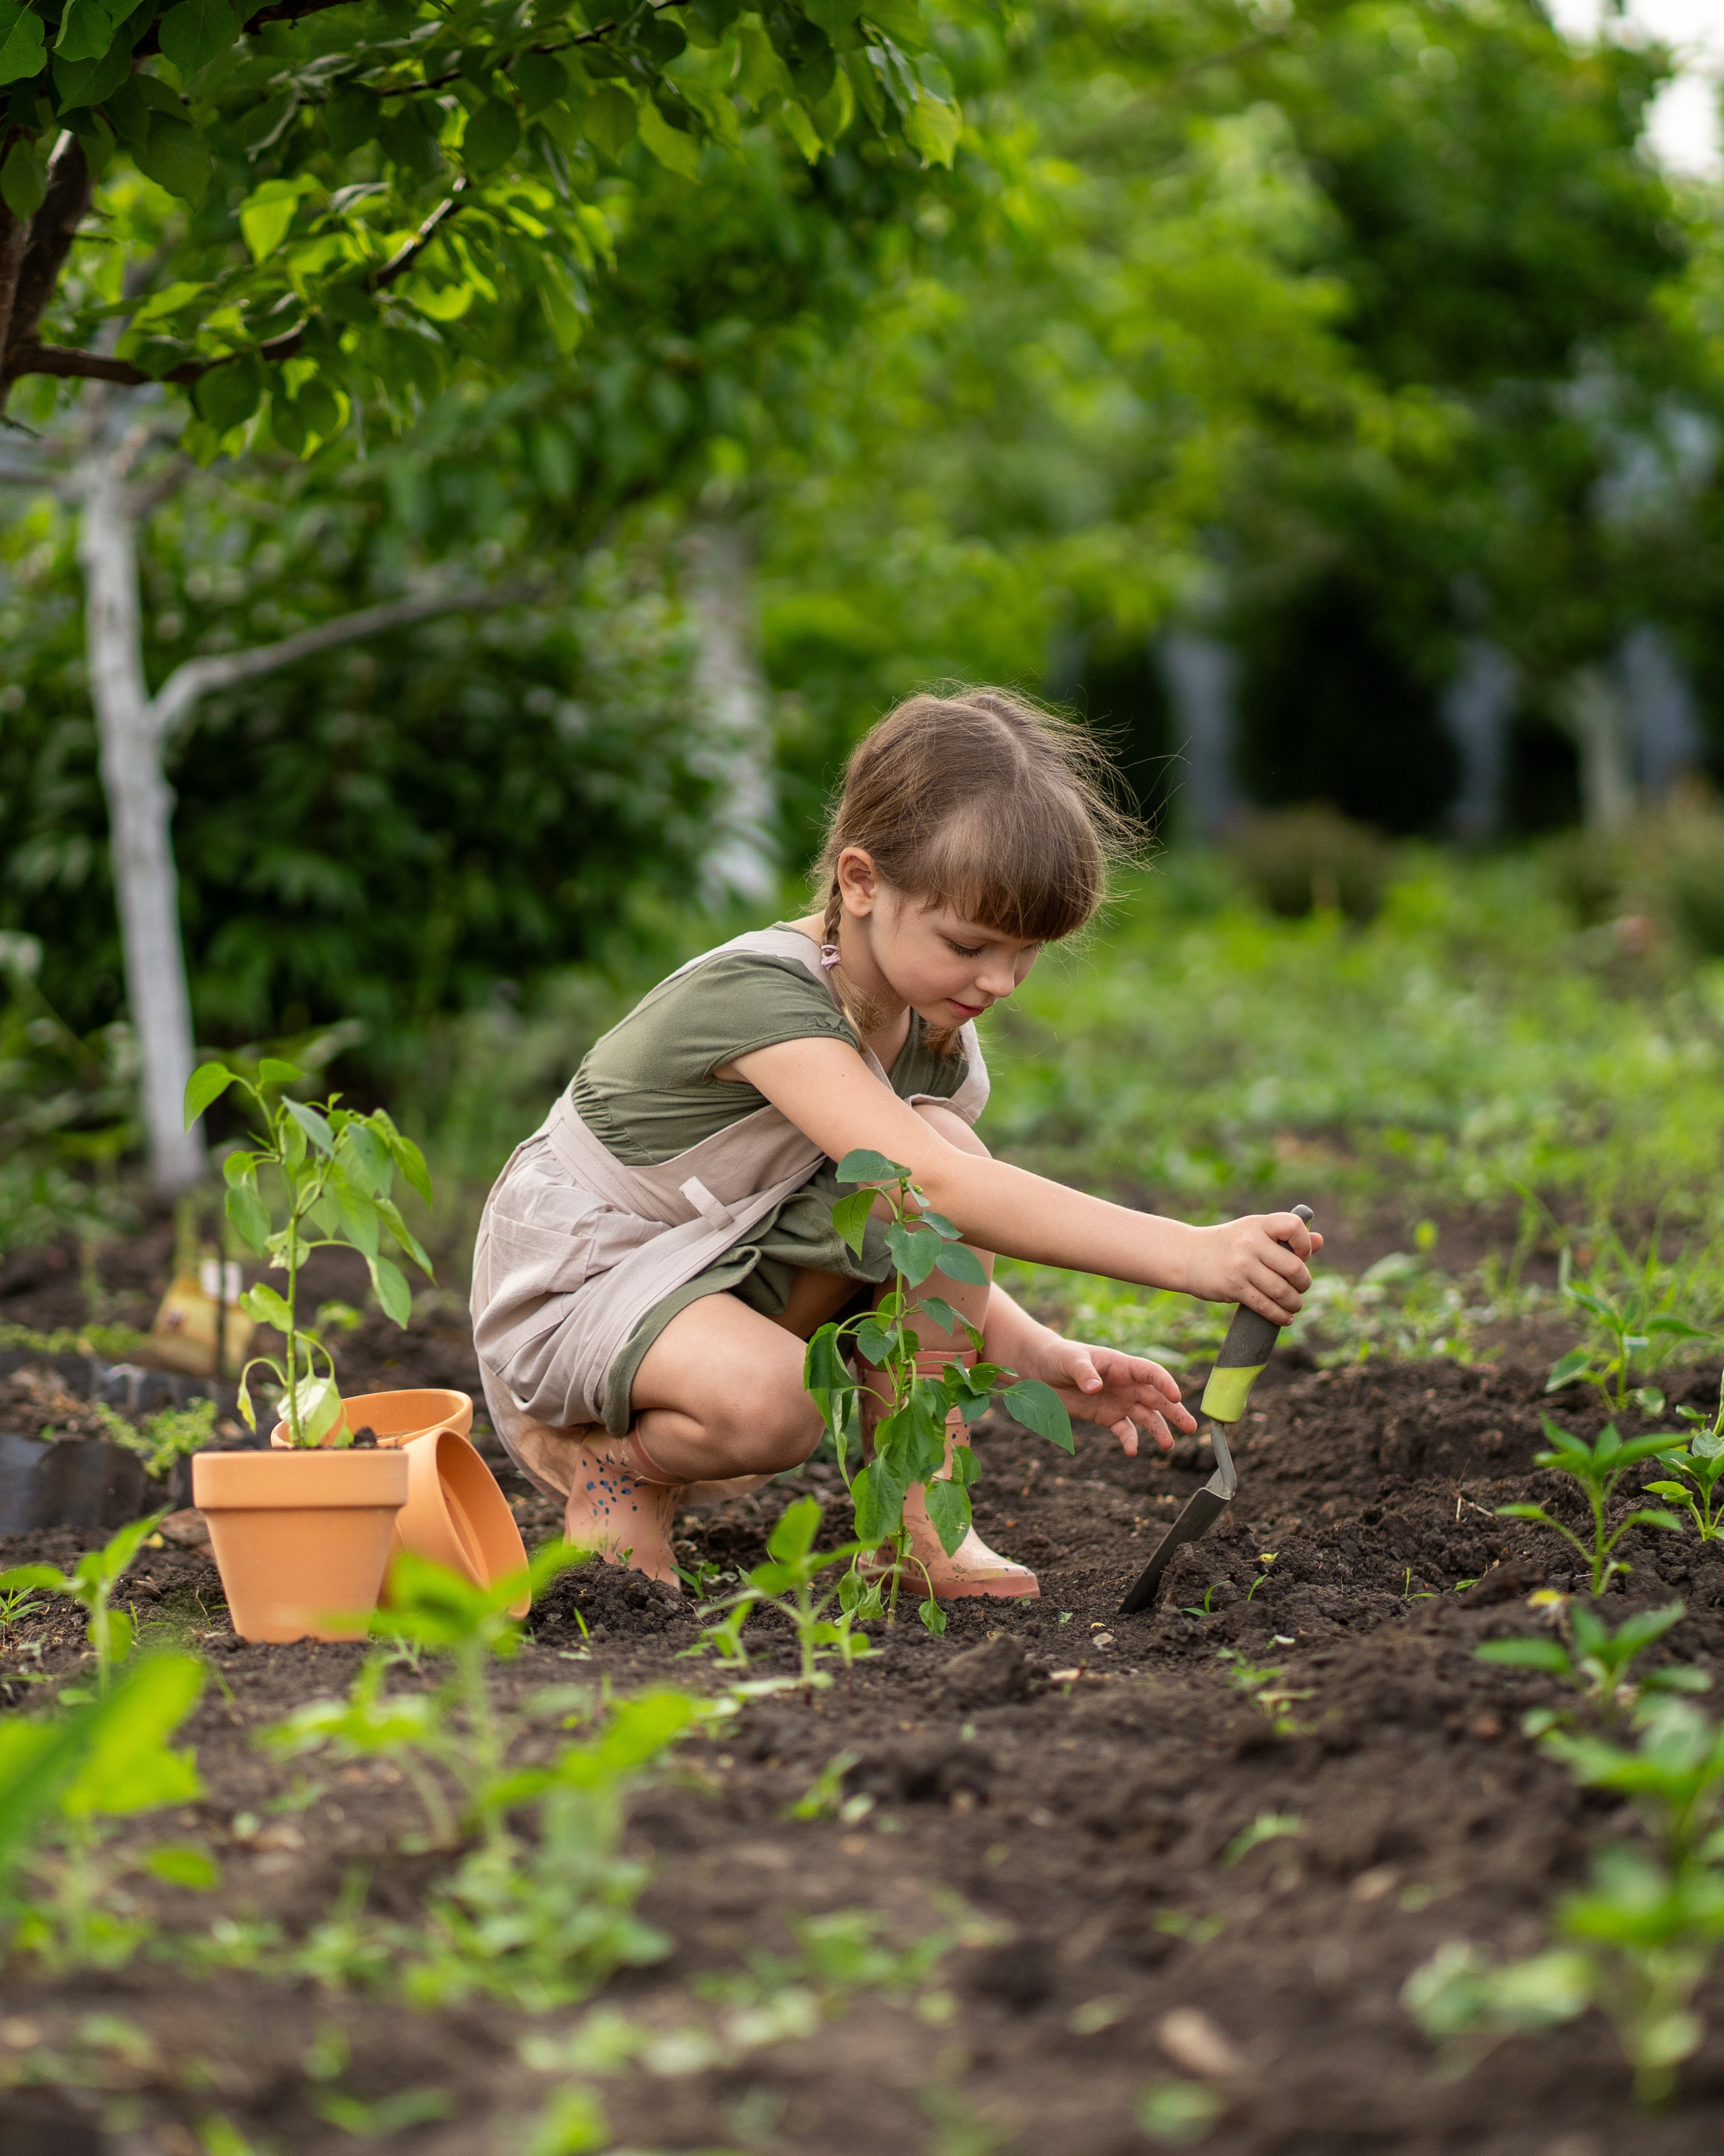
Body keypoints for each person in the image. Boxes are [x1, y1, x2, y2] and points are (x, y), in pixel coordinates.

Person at [470, 687, 1321, 1598]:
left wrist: (1033, 1350)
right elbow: (936, 1188)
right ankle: (620, 1470)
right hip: (585, 1279)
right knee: (785, 1388)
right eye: (970, 944)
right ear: (862, 882)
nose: (999, 979)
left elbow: (919, 1237)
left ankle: (922, 1527)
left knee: (938, 1136)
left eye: (1027, 951)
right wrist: (1190, 1253)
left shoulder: (934, 1034)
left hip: (725, 1264)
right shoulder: (763, 999)